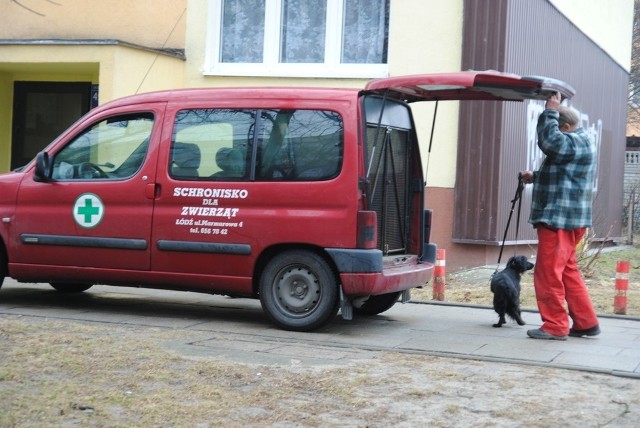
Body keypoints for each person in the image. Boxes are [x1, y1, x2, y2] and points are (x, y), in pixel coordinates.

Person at [519, 92, 600, 341]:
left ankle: (555, 325)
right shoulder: (580, 141)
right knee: (566, 270)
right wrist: (537, 175)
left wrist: (549, 112)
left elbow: (551, 142)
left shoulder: (574, 141)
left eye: (558, 127)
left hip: (559, 219)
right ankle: (586, 322)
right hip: (569, 219)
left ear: (565, 126)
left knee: (548, 272)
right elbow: (565, 174)